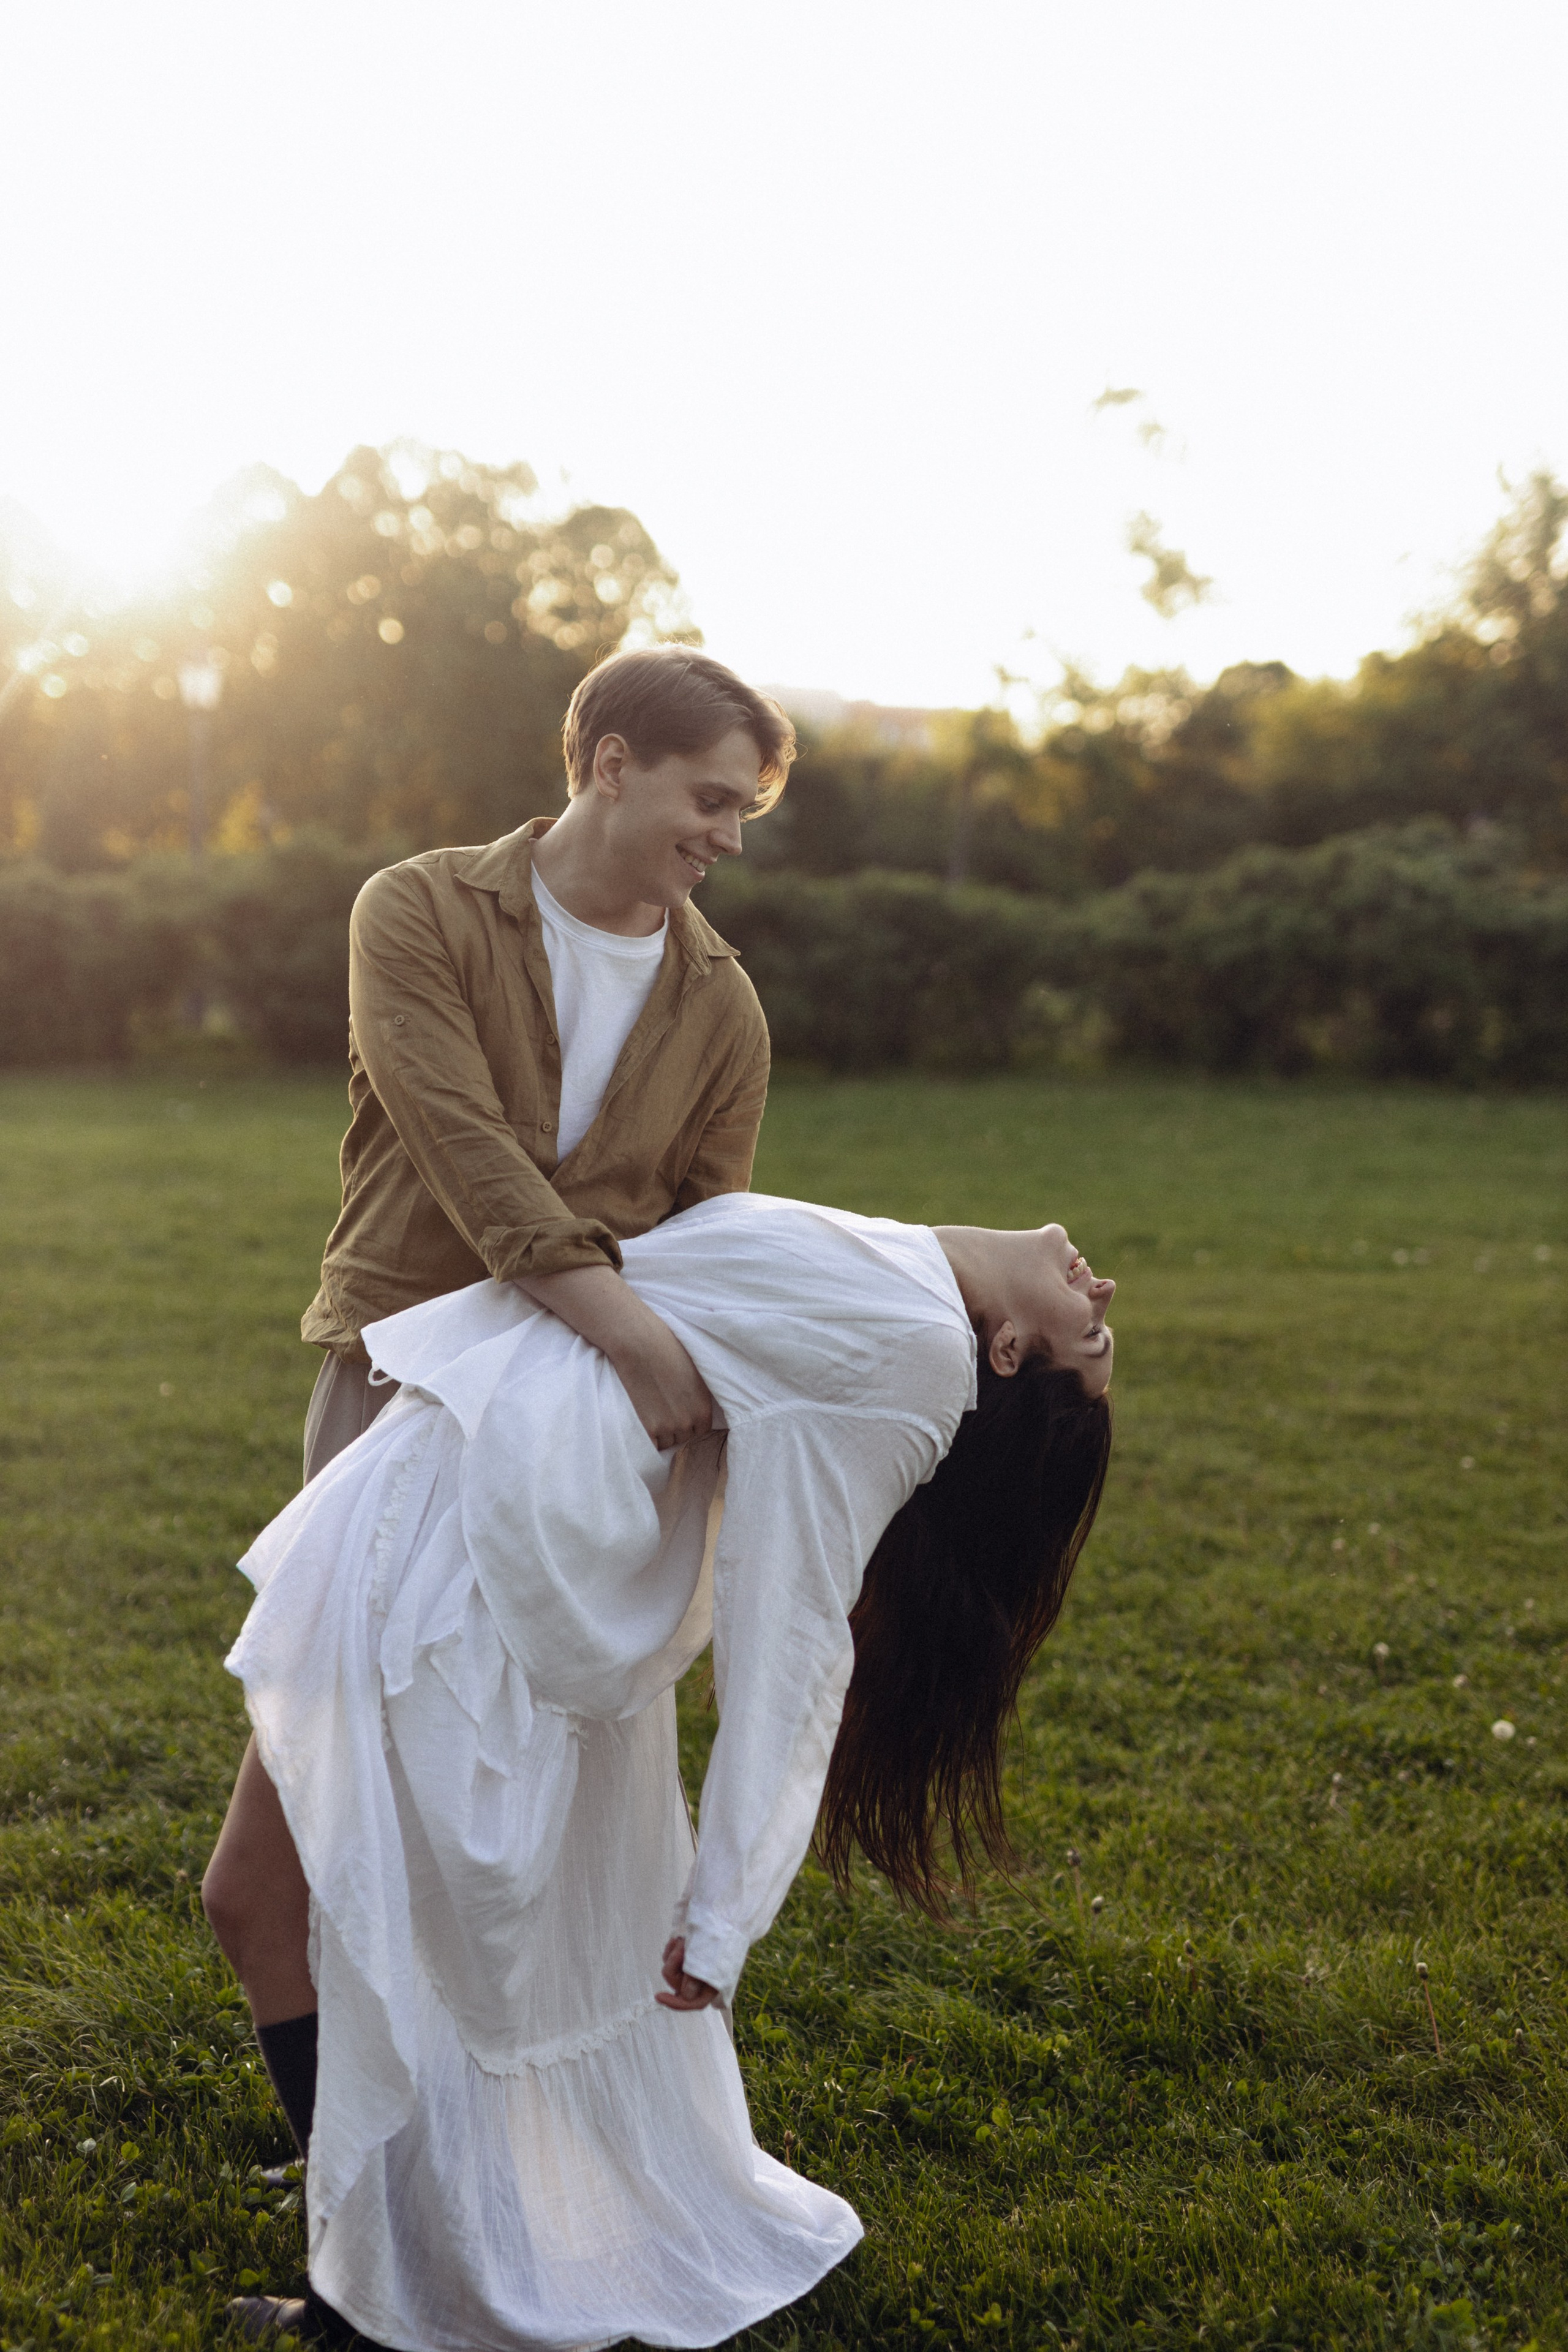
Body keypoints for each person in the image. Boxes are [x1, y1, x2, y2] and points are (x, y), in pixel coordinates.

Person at [219, 1196, 1115, 2348]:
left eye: (1090, 1337)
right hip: (462, 1468)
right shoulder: (914, 1288)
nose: (1104, 1295)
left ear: (1005, 1354)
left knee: (292, 1908)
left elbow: (793, 1633)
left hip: (477, 1533)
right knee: (293, 1908)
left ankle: (371, 2311)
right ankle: (378, 2298)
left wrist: (727, 1910)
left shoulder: (918, 1357)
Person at [202, 647, 796, 2338]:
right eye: (710, 801)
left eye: (743, 812)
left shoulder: (724, 1006)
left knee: (459, 1858)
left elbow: (715, 1247)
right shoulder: (419, 914)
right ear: (608, 761)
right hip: (391, 1407)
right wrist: (631, 1330)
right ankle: (378, 2212)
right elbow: (462, 1154)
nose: (728, 843)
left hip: (574, 1455)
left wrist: (660, 1373)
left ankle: (380, 2276)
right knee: (328, 1848)